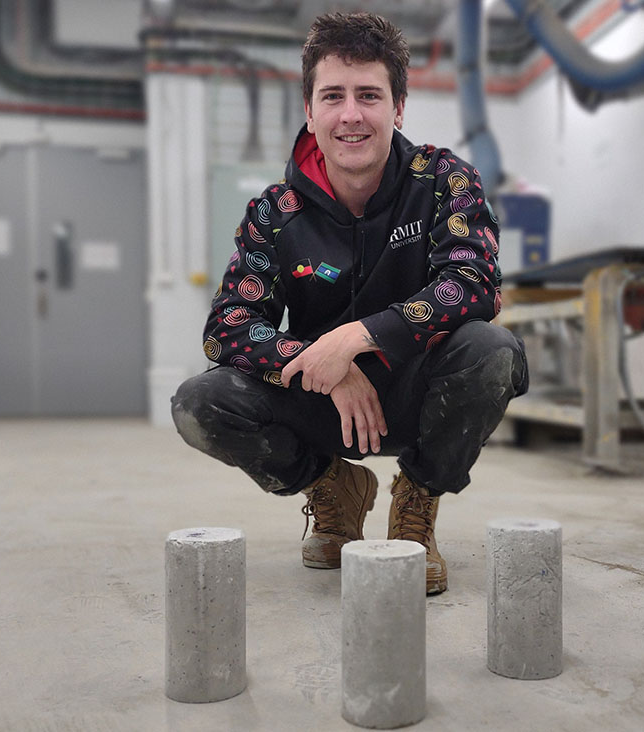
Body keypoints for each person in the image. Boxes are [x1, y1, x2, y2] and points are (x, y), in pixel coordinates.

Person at [172, 11, 528, 595]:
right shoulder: (275, 212)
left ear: (399, 107)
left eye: (370, 95)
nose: (351, 114)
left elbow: (475, 284)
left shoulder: (443, 180)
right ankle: (334, 487)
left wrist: (359, 337)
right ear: (310, 112)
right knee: (200, 403)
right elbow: (226, 329)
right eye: (333, 96)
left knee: (492, 349)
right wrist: (327, 365)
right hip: (323, 406)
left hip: (420, 396)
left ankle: (418, 498)